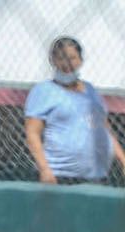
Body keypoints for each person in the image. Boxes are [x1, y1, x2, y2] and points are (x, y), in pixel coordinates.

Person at [24, 37, 124, 186]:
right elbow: (32, 134)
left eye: (72, 58)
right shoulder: (43, 91)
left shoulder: (90, 91)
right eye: (61, 58)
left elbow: (104, 128)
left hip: (96, 177)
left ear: (81, 60)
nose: (67, 64)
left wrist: (123, 160)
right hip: (59, 177)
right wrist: (45, 170)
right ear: (52, 61)